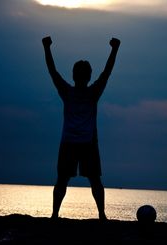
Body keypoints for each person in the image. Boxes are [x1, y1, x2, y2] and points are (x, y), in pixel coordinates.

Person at [42, 35, 121, 220]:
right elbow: (107, 72)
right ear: (88, 76)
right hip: (85, 143)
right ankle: (101, 215)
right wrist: (115, 49)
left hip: (71, 142)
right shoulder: (91, 92)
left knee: (64, 180)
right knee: (93, 180)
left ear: (74, 75)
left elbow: (52, 71)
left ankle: (55, 215)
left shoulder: (69, 91)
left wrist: (47, 47)